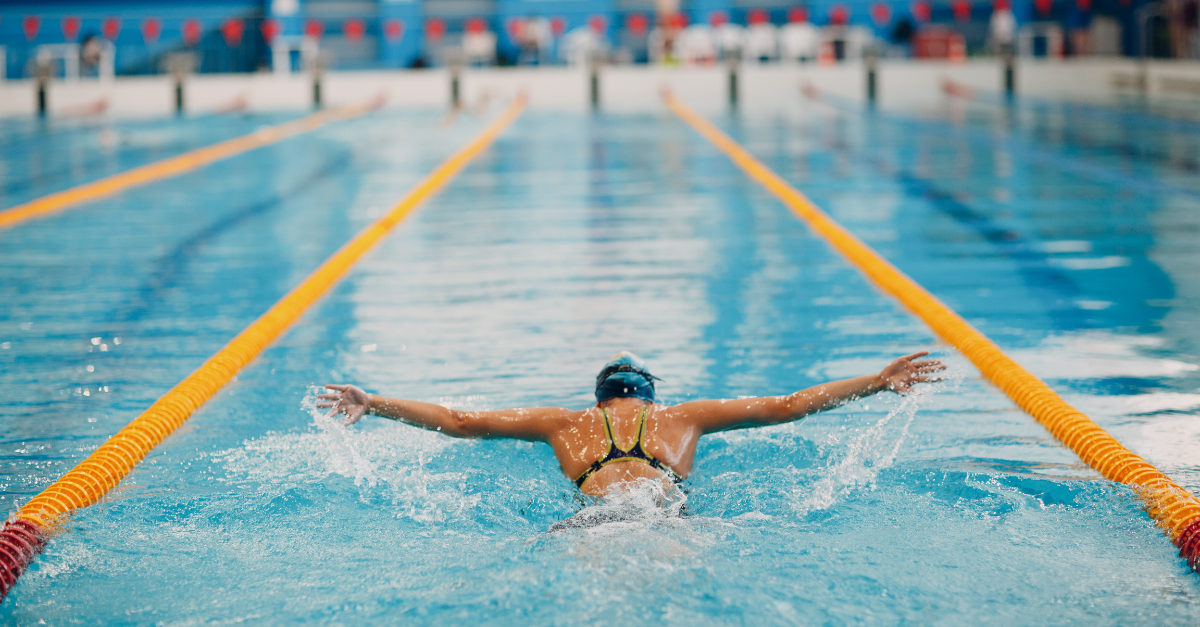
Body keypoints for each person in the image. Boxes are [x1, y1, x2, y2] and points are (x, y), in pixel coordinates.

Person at [319, 351, 945, 502]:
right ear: (648, 396)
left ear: (599, 398)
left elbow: (459, 421)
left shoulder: (564, 423)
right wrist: (875, 381)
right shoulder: (680, 417)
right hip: (662, 508)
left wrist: (373, 401)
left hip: (590, 516)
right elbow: (787, 405)